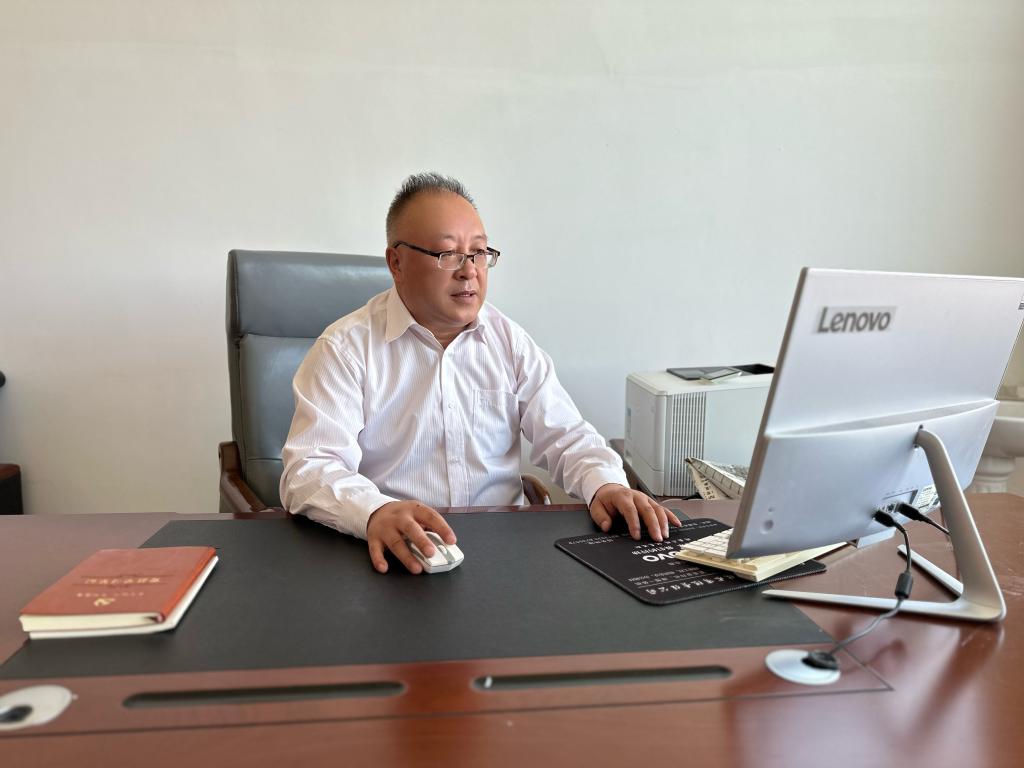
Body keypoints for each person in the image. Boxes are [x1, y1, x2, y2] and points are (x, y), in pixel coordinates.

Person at [280, 173, 679, 574]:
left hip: (505, 554)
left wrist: (606, 484)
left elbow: (567, 436)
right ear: (396, 263)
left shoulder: (509, 341)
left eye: (479, 252)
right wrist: (374, 511)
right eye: (448, 254)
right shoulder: (345, 349)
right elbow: (309, 468)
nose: (469, 271)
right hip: (398, 553)